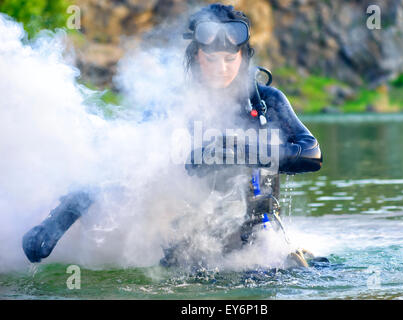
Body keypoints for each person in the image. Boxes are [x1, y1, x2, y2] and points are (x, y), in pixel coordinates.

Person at [22, 3, 324, 268]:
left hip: (257, 246)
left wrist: (238, 149)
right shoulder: (170, 105)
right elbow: (116, 165)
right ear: (195, 56)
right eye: (211, 58)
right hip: (189, 248)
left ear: (244, 57)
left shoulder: (266, 100)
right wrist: (57, 222)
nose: (221, 68)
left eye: (230, 59)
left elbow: (311, 154)